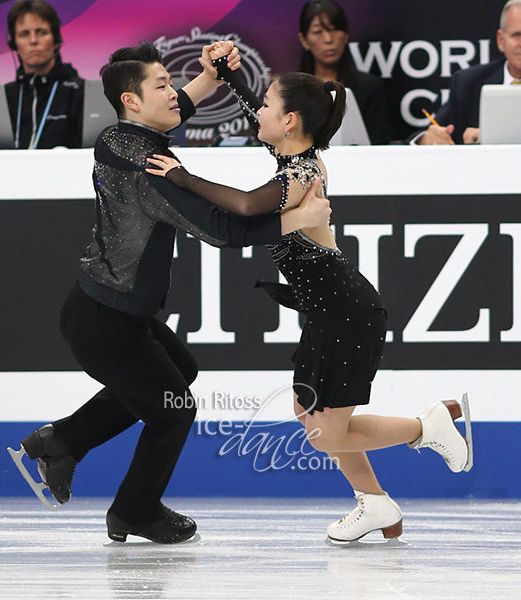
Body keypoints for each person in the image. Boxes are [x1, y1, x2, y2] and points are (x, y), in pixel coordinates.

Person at [145, 43, 473, 543]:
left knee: (324, 435)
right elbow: (263, 115)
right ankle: (376, 504)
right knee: (309, 411)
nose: (259, 115)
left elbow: (245, 204)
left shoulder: (297, 177)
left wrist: (181, 173)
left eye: (270, 108)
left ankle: (424, 427)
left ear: (291, 120)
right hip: (328, 312)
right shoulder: (296, 153)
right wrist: (232, 75)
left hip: (346, 312)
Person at [8, 41, 331, 544]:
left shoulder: (127, 137)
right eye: (162, 85)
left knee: (180, 371)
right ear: (132, 101)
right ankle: (133, 511)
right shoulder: (146, 165)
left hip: (115, 311)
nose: (174, 92)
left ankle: (62, 440)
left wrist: (210, 76)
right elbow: (225, 228)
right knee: (175, 409)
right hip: (103, 319)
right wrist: (296, 220)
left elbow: (172, 110)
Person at [412, 0, 521, 145]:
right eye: (516, 35)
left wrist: (493, 137)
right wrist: (426, 140)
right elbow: (438, 129)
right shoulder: (468, 82)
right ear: (501, 40)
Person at [297, 0, 391, 145]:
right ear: (304, 40)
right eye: (318, 32)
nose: (328, 39)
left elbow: (379, 145)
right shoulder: (291, 89)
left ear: (346, 35)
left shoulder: (370, 87)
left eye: (334, 29)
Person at [5, 0, 84, 149]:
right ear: (14, 44)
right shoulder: (6, 96)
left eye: (42, 32)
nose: (33, 41)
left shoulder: (79, 92)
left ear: (55, 40)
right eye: (24, 34)